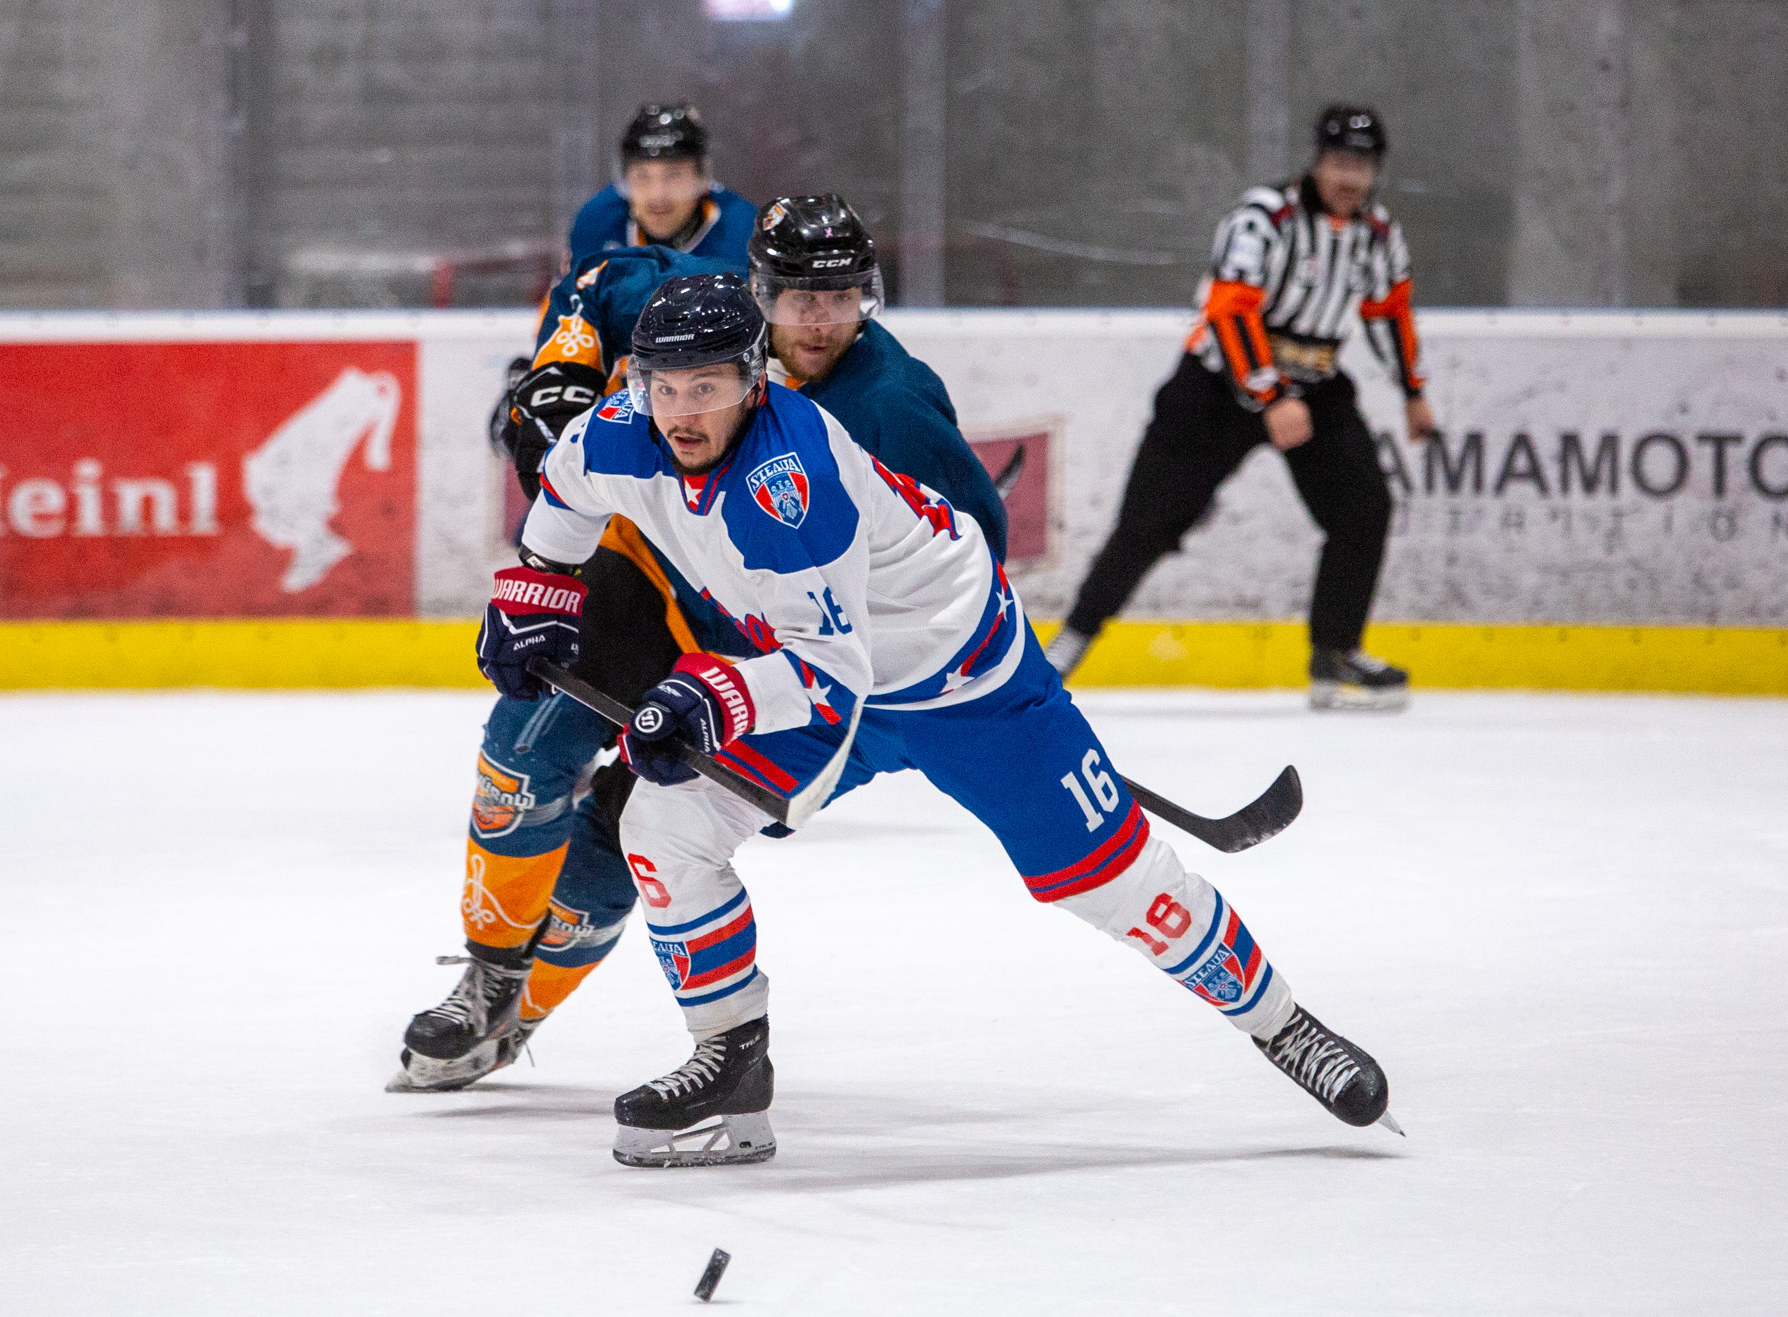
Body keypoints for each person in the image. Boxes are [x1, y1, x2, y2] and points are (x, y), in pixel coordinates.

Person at [489, 272, 1399, 1166]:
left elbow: (829, 674)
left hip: (961, 678)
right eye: (667, 387)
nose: (684, 413)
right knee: (663, 821)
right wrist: (539, 590)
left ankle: (1283, 1025)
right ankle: (732, 1058)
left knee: (1115, 884)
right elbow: (566, 492)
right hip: (821, 665)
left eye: (710, 387)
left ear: (754, 380)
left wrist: (709, 697)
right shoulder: (621, 429)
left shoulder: (787, 482)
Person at [389, 196, 1007, 1093]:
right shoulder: (697, 309)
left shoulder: (894, 406)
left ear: (867, 297)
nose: (816, 321)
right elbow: (596, 282)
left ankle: (524, 1009)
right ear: (758, 290)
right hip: (652, 582)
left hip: (758, 652)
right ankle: (488, 973)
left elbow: (967, 568)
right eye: (794, 296)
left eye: (838, 297)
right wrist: (562, 369)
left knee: (630, 829)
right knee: (526, 745)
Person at [1042, 105, 1436, 711]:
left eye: (1361, 166)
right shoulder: (1264, 217)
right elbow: (1229, 309)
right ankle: (1067, 646)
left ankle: (1336, 653)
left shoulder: (1378, 234)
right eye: (1339, 163)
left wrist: (1412, 392)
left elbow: (1389, 312)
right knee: (1149, 523)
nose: (1349, 178)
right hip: (1215, 386)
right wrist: (1269, 395)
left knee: (1363, 510)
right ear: (1317, 161)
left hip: (1315, 386)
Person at [566, 104, 755, 265]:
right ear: (625, 180)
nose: (658, 195)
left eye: (673, 175)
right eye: (642, 176)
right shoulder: (596, 224)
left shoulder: (745, 234)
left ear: (701, 180)